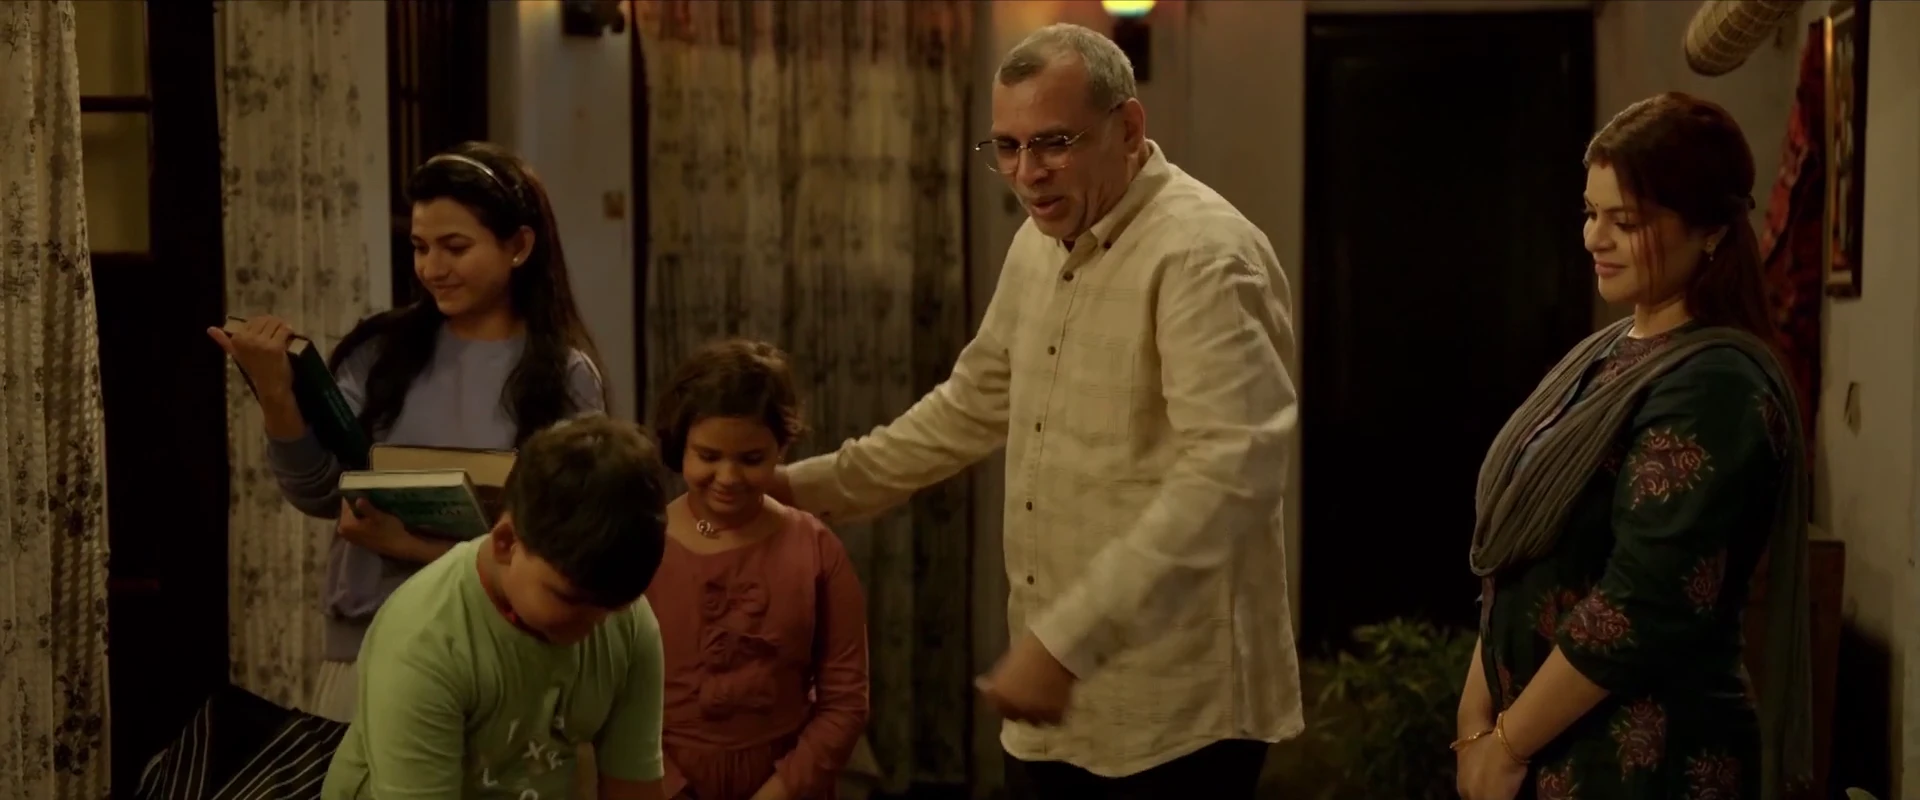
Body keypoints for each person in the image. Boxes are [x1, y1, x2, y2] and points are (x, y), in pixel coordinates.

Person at [770, 23, 1300, 799]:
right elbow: (970, 406)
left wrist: (1066, 643)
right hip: (1057, 704)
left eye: (1054, 143)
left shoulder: (1202, 256)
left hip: (1178, 711)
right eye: (1008, 147)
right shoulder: (1038, 242)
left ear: (1128, 129)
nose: (1027, 174)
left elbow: (1231, 475)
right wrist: (798, 489)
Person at [1454, 92, 1813, 800]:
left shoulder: (1716, 382)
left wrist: (1507, 744)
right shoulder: (1605, 354)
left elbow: (1639, 603)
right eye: (1591, 213)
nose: (1595, 238)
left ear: (1710, 230)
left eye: (1626, 222)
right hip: (1537, 743)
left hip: (1640, 765)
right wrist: (1474, 724)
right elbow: (1516, 555)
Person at [209, 141, 608, 723]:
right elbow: (319, 492)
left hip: (499, 642)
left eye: (455, 248)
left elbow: (565, 541)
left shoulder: (563, 377)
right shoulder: (381, 353)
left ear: (519, 246)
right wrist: (276, 394)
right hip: (369, 638)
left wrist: (408, 545)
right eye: (421, 247)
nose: (432, 269)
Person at [320, 413, 671, 799]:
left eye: (614, 606)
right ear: (506, 543)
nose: (593, 625)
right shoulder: (422, 643)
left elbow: (635, 789)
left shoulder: (629, 622)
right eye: (570, 599)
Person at [646, 339, 869, 800]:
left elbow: (845, 701)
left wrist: (780, 791)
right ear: (680, 446)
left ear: (780, 449)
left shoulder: (816, 549)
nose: (728, 478)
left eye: (751, 460)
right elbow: (608, 699)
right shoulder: (641, 549)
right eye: (709, 457)